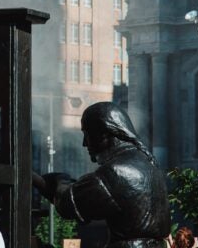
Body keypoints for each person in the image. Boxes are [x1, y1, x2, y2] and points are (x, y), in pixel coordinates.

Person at [33, 102, 170, 248]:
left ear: (104, 134)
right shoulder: (149, 166)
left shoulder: (116, 172)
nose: (84, 143)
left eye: (87, 134)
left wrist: (58, 180)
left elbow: (67, 203)